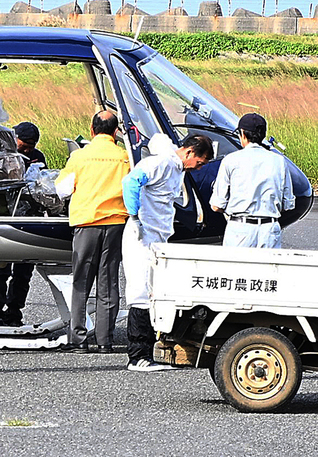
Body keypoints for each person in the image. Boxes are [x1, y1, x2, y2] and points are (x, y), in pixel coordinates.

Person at [121, 134, 214, 372]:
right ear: (190, 152)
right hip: (143, 235)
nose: (198, 167)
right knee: (141, 292)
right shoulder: (161, 163)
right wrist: (134, 215)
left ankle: (147, 351)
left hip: (158, 237)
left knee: (154, 291)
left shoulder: (176, 165)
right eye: (200, 162)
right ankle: (137, 356)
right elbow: (131, 181)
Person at [55, 111, 130, 353]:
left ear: (92, 129)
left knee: (81, 282)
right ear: (116, 131)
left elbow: (63, 189)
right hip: (117, 223)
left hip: (87, 222)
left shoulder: (80, 156)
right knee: (109, 282)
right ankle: (104, 340)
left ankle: (78, 339)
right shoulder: (124, 157)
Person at [0, 121, 45, 326]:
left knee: (24, 271)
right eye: (24, 144)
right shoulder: (2, 156)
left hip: (28, 216)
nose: (28, 149)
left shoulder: (38, 157)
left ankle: (14, 312)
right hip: (6, 217)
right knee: (1, 269)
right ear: (14, 138)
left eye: (31, 145)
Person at [210, 113, 295, 249]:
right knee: (268, 269)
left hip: (239, 229)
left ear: (242, 134)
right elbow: (288, 203)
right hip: (269, 229)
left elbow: (216, 205)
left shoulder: (231, 160)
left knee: (237, 269)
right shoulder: (279, 161)